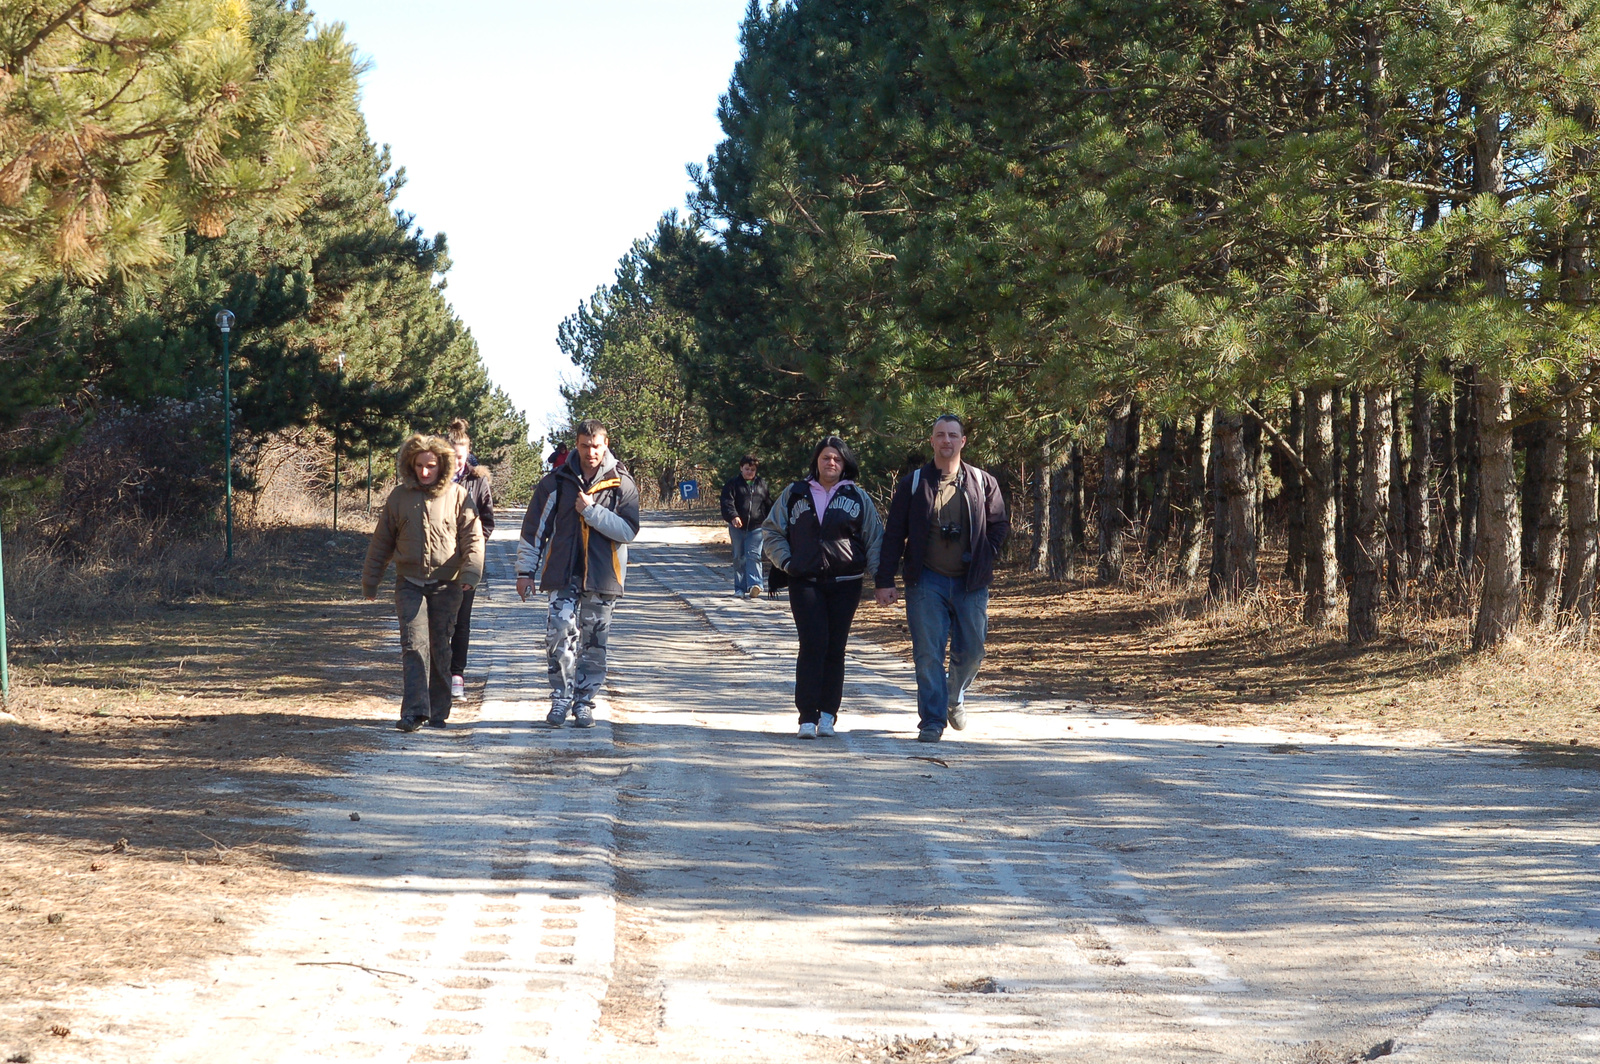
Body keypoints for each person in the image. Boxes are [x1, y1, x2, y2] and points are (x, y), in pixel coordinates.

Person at [875, 414, 1010, 742]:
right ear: (931, 441)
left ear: (963, 441)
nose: (946, 440)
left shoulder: (982, 481)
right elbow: (894, 534)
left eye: (953, 435)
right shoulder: (913, 483)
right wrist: (884, 579)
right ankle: (932, 721)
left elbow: (999, 524)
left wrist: (984, 554)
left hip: (970, 583)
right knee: (928, 653)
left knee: (974, 650)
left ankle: (954, 694)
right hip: (926, 581)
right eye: (940, 435)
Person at [516, 419, 640, 728]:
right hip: (563, 573)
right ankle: (560, 699)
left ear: (605, 444)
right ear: (576, 445)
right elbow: (534, 531)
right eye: (584, 446)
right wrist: (525, 572)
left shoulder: (621, 483)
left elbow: (628, 531)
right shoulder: (557, 481)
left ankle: (584, 703)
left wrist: (591, 511)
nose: (590, 452)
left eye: (596, 446)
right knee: (559, 632)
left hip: (603, 577)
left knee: (594, 642)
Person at [762, 436, 884, 740]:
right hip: (805, 582)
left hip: (846, 584)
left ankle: (828, 715)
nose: (831, 463)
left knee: (835, 648)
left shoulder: (858, 497)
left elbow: (874, 539)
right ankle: (807, 716)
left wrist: (882, 579)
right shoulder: (795, 493)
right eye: (826, 457)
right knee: (813, 644)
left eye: (837, 459)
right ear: (816, 461)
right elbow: (772, 531)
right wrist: (787, 563)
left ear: (845, 464)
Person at [362, 434, 485, 731]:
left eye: (431, 466)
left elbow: (473, 538)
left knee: (440, 646)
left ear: (442, 465)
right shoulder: (398, 497)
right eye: (419, 465)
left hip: (447, 584)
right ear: (410, 465)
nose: (425, 472)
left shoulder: (458, 496)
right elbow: (382, 542)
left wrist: (471, 573)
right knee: (414, 645)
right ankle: (415, 712)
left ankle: (439, 710)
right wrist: (371, 580)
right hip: (409, 582)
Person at [446, 419, 495, 700]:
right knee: (440, 620)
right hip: (437, 562)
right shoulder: (434, 477)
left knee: (462, 619)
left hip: (467, 561)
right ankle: (437, 673)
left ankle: (457, 674)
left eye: (460, 458)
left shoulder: (478, 481)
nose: (455, 463)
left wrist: (475, 548)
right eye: (451, 457)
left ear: (467, 455)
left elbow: (488, 521)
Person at [720, 455, 772, 598]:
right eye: (747, 469)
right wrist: (733, 517)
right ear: (741, 468)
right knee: (739, 557)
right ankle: (740, 588)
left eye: (752, 469)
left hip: (756, 526)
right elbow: (727, 502)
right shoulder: (732, 484)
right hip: (737, 527)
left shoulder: (761, 484)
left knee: (754, 555)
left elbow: (767, 503)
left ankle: (755, 585)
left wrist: (770, 521)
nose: (749, 472)